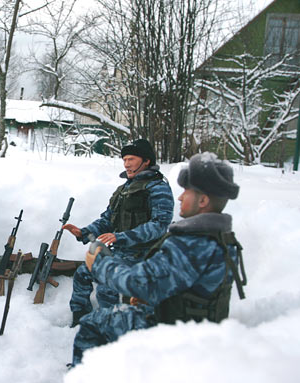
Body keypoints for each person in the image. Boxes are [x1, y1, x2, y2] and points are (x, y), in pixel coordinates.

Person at [71, 152, 246, 366]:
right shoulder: (220, 238)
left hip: (176, 329)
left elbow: (137, 282)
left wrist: (100, 264)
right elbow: (187, 285)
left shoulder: (191, 244)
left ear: (202, 200)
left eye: (186, 192)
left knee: (93, 323)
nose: (180, 198)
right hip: (197, 323)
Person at [64, 139, 174, 325]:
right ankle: (81, 318)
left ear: (146, 161)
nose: (127, 164)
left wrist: (121, 237)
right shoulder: (124, 189)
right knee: (83, 273)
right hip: (122, 252)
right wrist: (84, 232)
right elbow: (108, 219)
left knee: (108, 283)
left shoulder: (158, 188)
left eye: (131, 159)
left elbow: (159, 225)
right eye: (124, 159)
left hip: (145, 254)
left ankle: (112, 326)